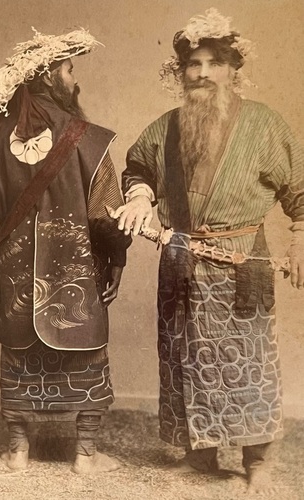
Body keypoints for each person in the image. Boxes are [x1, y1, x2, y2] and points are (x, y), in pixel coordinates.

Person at [111, 8, 304, 494]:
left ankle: (256, 460)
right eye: (193, 65)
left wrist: (301, 236)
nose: (202, 73)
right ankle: (200, 453)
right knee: (184, 356)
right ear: (180, 73)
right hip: (179, 259)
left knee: (250, 361)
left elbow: (299, 190)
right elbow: (138, 168)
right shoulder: (166, 128)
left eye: (214, 63)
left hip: (239, 263)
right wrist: (139, 195)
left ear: (234, 69)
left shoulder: (264, 125)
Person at [0, 28, 131, 474]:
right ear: (52, 76)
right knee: (87, 352)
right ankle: (86, 456)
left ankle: (17, 451)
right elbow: (107, 212)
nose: (76, 80)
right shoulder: (88, 138)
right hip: (77, 275)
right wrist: (115, 257)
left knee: (17, 356)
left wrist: (0, 257)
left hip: (17, 281)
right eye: (70, 69)